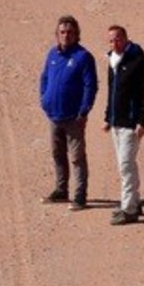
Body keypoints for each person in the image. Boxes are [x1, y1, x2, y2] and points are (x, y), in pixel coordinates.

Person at [39, 15, 98, 211]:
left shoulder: (83, 57)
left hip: (74, 117)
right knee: (58, 153)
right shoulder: (52, 55)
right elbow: (44, 78)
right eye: (62, 32)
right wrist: (44, 99)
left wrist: (84, 110)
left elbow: (90, 85)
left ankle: (80, 196)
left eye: (70, 32)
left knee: (77, 157)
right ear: (57, 34)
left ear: (77, 34)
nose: (66, 35)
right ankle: (61, 189)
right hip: (54, 115)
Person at [102, 25, 144, 226]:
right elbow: (112, 92)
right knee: (125, 165)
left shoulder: (138, 62)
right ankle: (133, 201)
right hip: (117, 122)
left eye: (118, 39)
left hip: (131, 124)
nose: (114, 43)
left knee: (126, 165)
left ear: (125, 39)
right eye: (111, 40)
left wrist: (143, 120)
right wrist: (108, 117)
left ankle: (129, 210)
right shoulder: (112, 61)